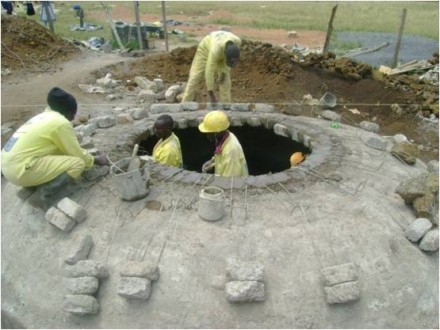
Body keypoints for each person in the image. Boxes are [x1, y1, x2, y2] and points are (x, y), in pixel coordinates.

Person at [1, 87, 109, 209]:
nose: (73, 118)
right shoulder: (60, 123)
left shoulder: (43, 117)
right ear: (66, 111)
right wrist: (95, 160)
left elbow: (60, 150)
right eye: (72, 113)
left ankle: (33, 184)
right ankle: (45, 195)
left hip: (9, 167)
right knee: (77, 164)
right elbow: (76, 153)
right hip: (21, 170)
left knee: (56, 157)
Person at [182, 30, 241, 106]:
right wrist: (210, 92)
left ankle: (226, 106)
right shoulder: (215, 51)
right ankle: (184, 104)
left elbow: (230, 60)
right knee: (194, 78)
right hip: (205, 50)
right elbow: (209, 70)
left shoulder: (238, 41)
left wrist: (224, 72)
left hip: (223, 52)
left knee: (225, 81)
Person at [198, 110, 248, 177]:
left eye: (209, 134)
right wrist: (213, 161)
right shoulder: (225, 137)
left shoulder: (231, 151)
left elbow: (229, 182)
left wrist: (212, 179)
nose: (207, 136)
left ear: (216, 133)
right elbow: (222, 157)